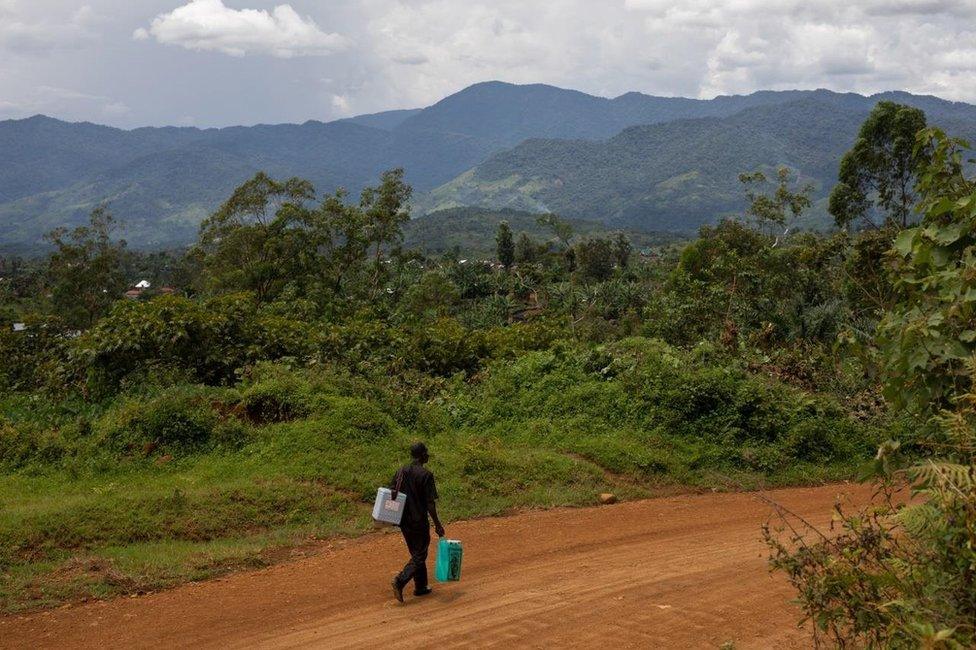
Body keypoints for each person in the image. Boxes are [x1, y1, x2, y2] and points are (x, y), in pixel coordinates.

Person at [390, 442, 445, 603]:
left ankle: (421, 586)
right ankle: (400, 580)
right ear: (422, 455)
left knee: (416, 552)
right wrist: (438, 524)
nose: (428, 455)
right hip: (418, 520)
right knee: (420, 554)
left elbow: (392, 492)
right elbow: (430, 503)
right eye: (426, 453)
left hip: (402, 520)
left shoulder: (401, 471)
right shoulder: (426, 475)